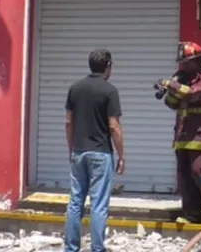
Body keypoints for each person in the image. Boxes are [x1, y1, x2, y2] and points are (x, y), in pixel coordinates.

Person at [64, 48, 125, 252]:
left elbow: (68, 122)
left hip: (79, 152)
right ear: (107, 66)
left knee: (75, 202)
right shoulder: (109, 90)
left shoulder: (75, 88)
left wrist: (71, 147)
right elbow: (114, 126)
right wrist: (121, 155)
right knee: (98, 204)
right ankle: (97, 249)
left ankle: (71, 248)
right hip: (100, 153)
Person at [157, 41, 201, 224]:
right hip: (182, 133)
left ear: (197, 61)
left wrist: (172, 85)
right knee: (186, 175)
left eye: (187, 62)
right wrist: (169, 90)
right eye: (182, 63)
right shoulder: (181, 78)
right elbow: (171, 103)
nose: (183, 66)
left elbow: (193, 93)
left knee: (200, 171)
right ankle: (192, 213)